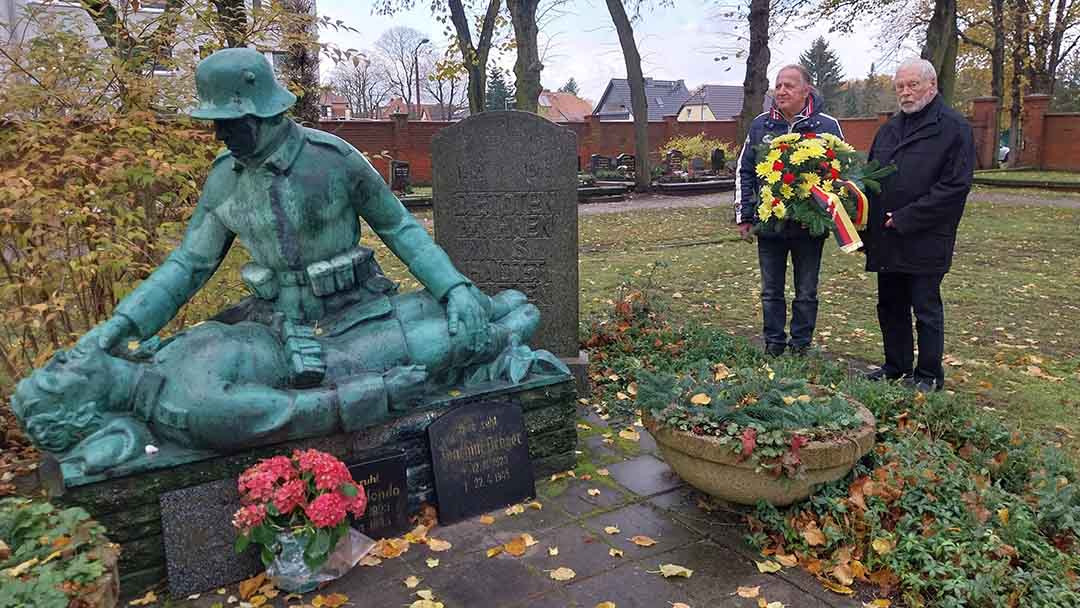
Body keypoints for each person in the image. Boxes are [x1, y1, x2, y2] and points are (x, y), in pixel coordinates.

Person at [12, 48, 566, 477]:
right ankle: (502, 328)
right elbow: (187, 266)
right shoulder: (224, 180)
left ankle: (498, 323)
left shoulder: (333, 160)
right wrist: (121, 327)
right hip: (279, 331)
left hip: (357, 307)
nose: (220, 133)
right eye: (217, 123)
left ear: (263, 111)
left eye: (229, 121)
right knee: (440, 346)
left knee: (464, 322)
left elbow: (399, 227)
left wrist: (455, 288)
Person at [862, 58, 975, 392]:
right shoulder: (889, 129)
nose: (906, 92)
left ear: (932, 85)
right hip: (887, 236)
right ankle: (896, 366)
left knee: (925, 307)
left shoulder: (953, 128)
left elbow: (955, 187)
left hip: (926, 236)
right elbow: (870, 178)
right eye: (900, 86)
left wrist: (907, 217)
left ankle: (928, 375)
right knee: (890, 305)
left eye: (913, 85)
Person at [736, 65, 845, 356]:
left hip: (810, 226)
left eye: (789, 86)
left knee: (806, 291)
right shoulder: (761, 125)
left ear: (806, 90)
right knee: (771, 290)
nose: (781, 91)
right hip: (770, 223)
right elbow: (745, 171)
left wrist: (829, 216)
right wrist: (745, 215)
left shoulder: (826, 125)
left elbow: (841, 173)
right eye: (778, 85)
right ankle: (773, 342)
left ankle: (801, 344)